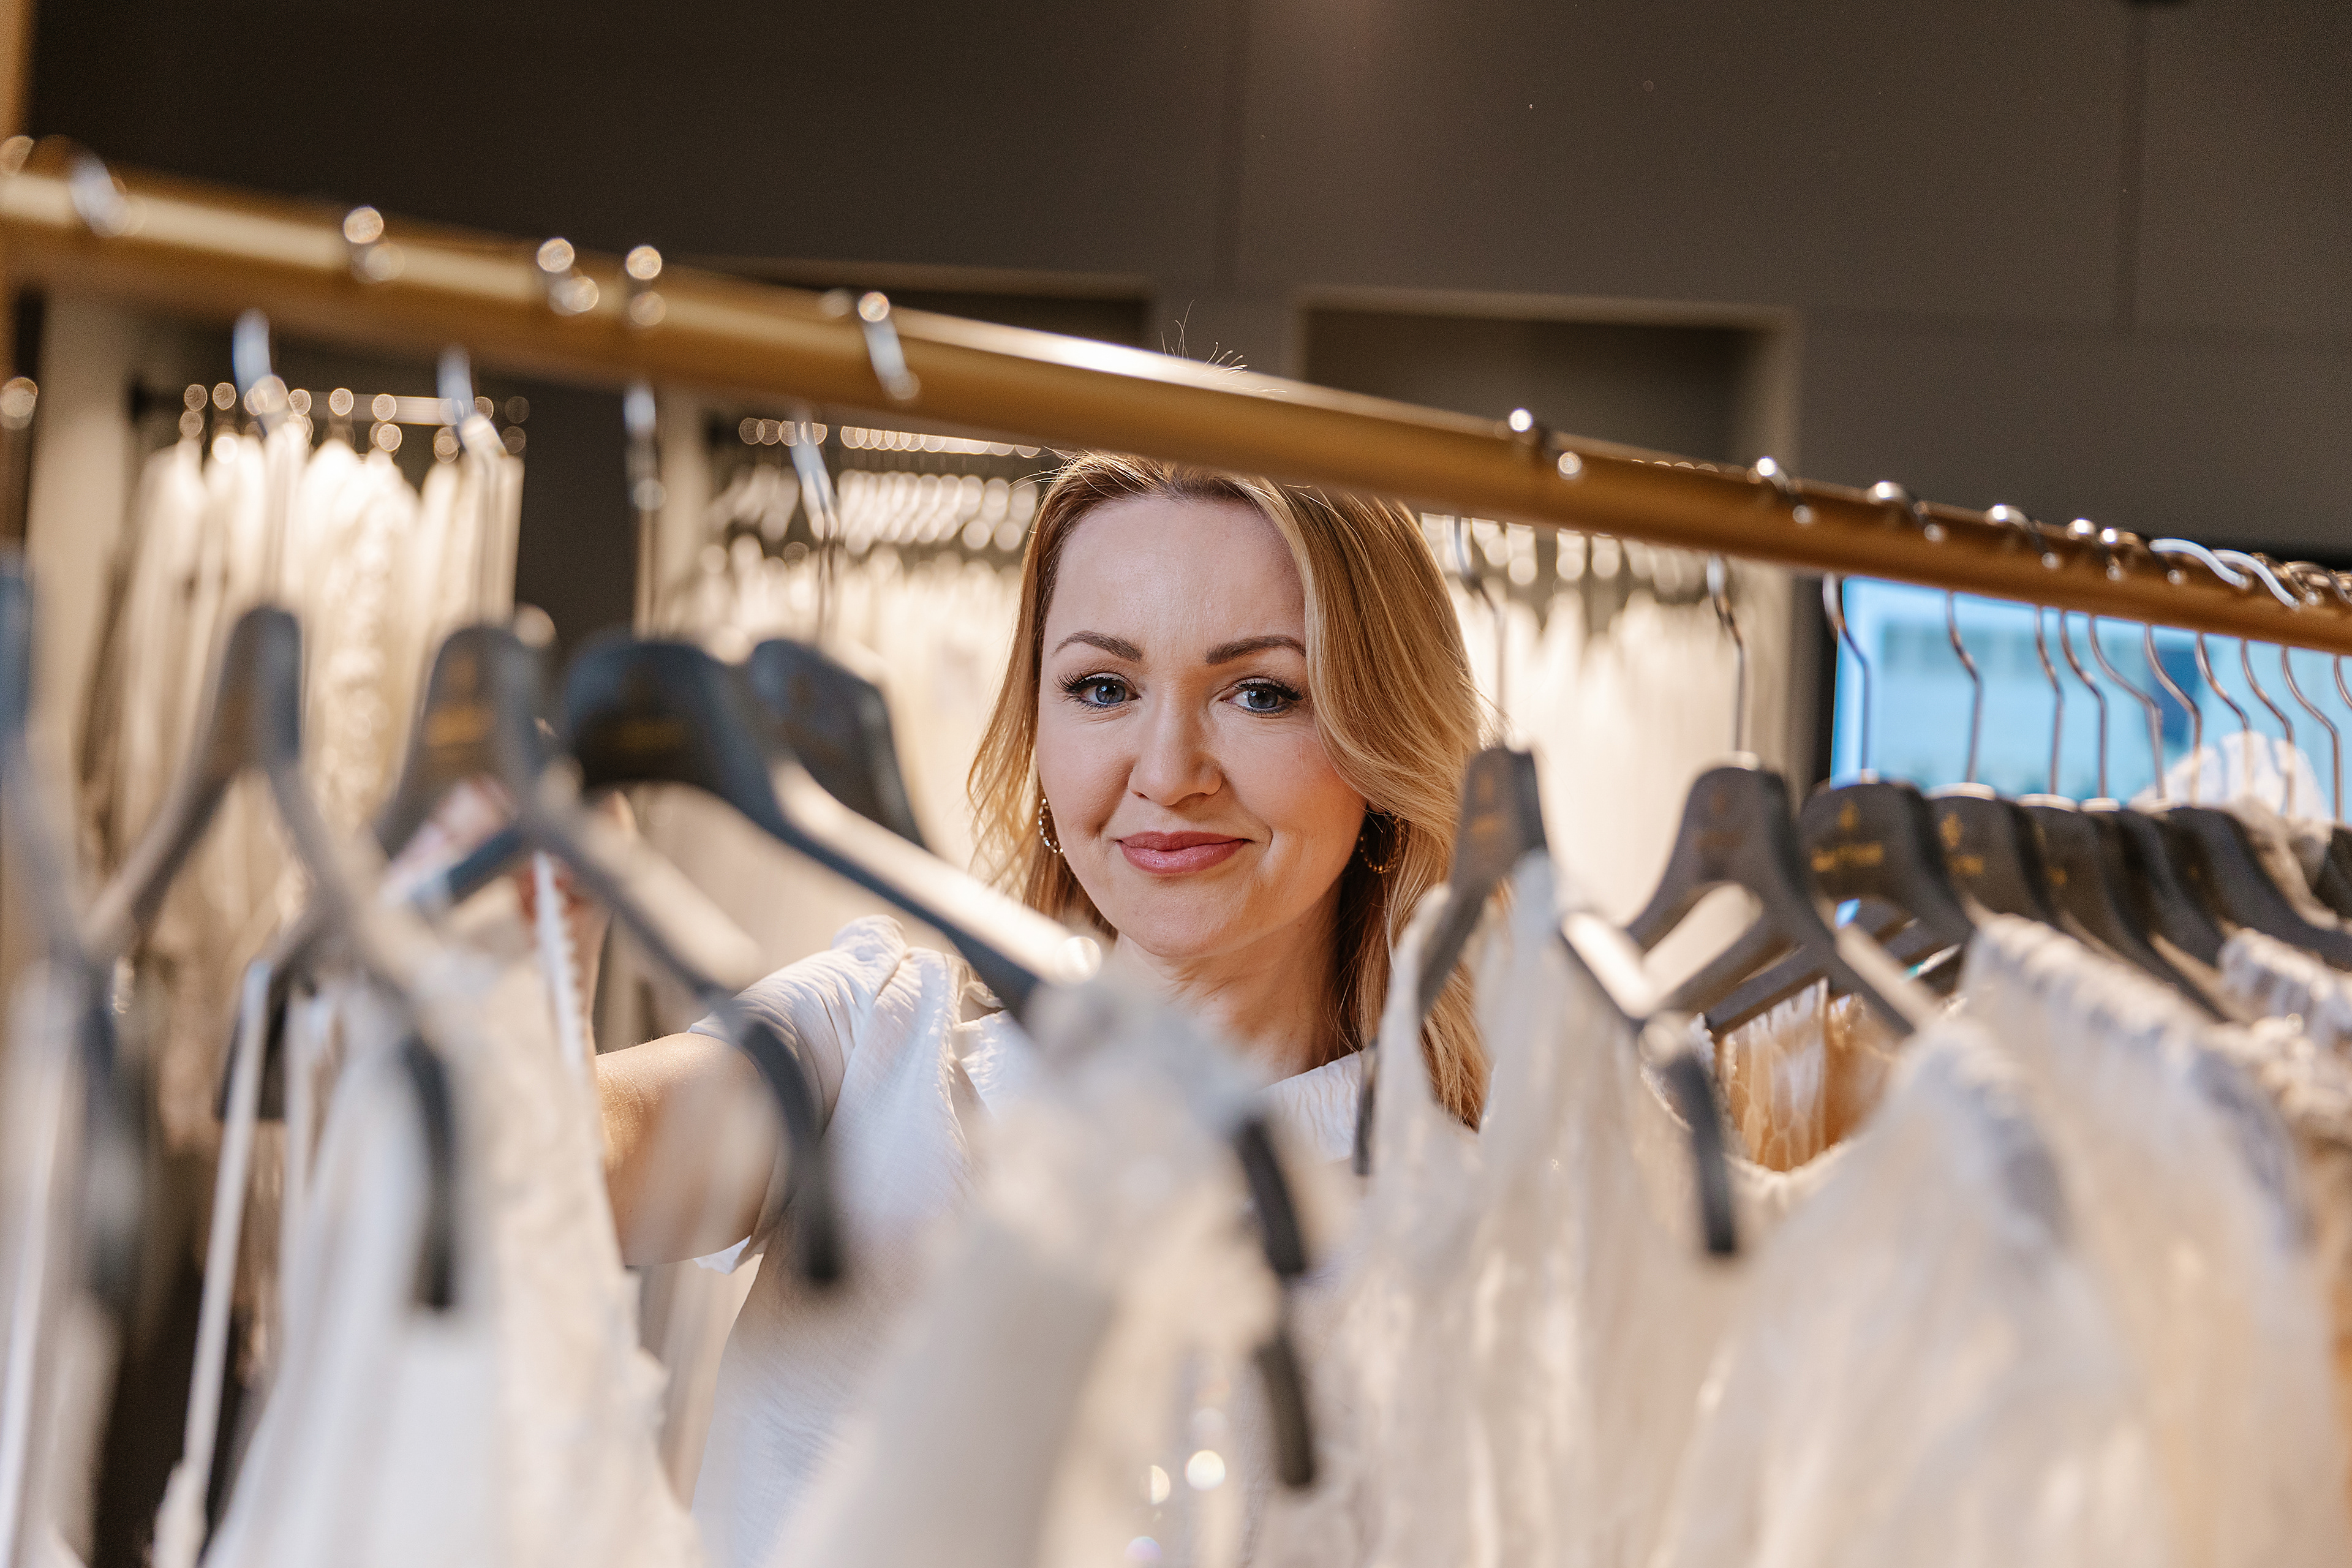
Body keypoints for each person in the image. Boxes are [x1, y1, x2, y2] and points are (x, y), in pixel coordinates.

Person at [587, 452, 1486, 1565]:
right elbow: (571, 1157)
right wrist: (532, 961)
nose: (1169, 771)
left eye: (1262, 692)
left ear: (1380, 743)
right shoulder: (866, 1043)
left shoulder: (1467, 1213)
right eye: (1103, 688)